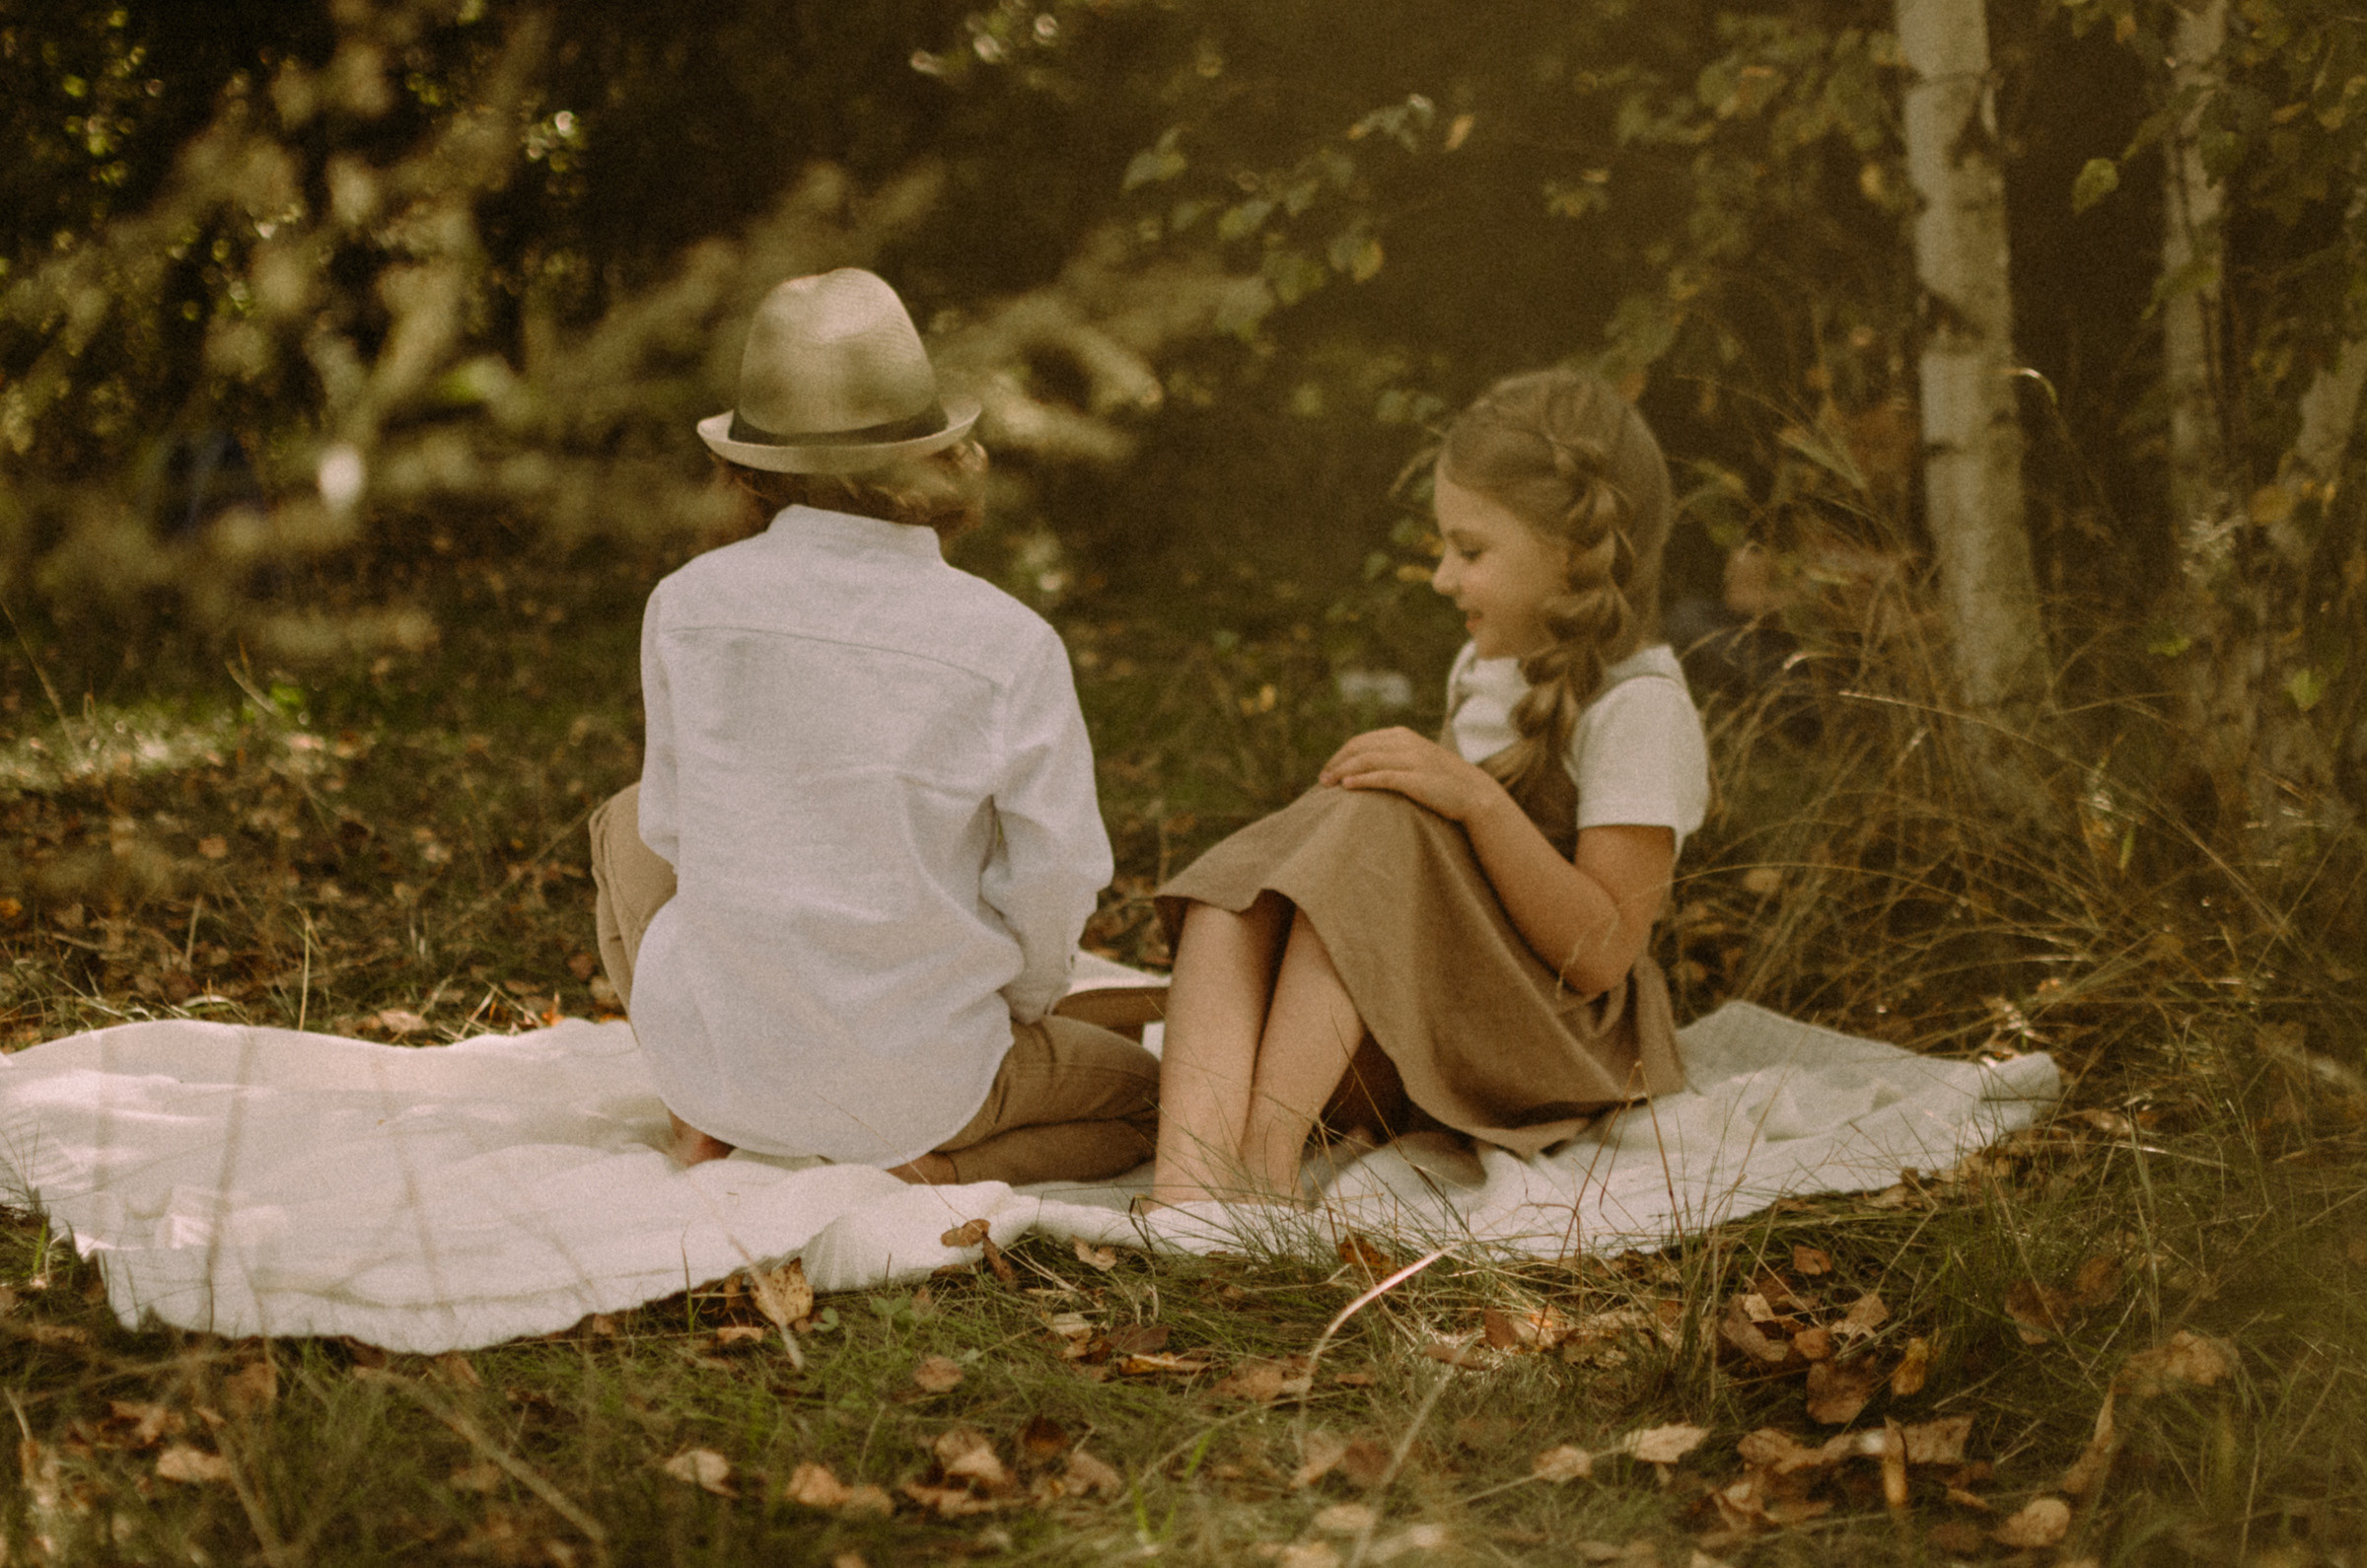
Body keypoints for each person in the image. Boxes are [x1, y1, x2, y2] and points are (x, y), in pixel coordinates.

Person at [588, 267, 1159, 1186]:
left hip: (732, 1058)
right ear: (937, 450)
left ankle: (702, 1115)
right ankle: (926, 1176)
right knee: (1150, 1101)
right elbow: (1055, 873)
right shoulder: (1008, 643)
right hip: (919, 1078)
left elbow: (675, 829)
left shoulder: (686, 605)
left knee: (626, 824)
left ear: (747, 463)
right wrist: (1026, 1003)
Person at [1148, 367, 1709, 1208]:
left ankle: (1263, 1175)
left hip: (1556, 1037)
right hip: (1443, 999)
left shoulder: (1639, 709)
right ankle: (1187, 1193)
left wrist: (1475, 801)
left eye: (1471, 551)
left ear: (1569, 553)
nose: (1444, 577)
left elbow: (1597, 957)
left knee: (1382, 826)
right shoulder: (1484, 667)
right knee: (1248, 887)